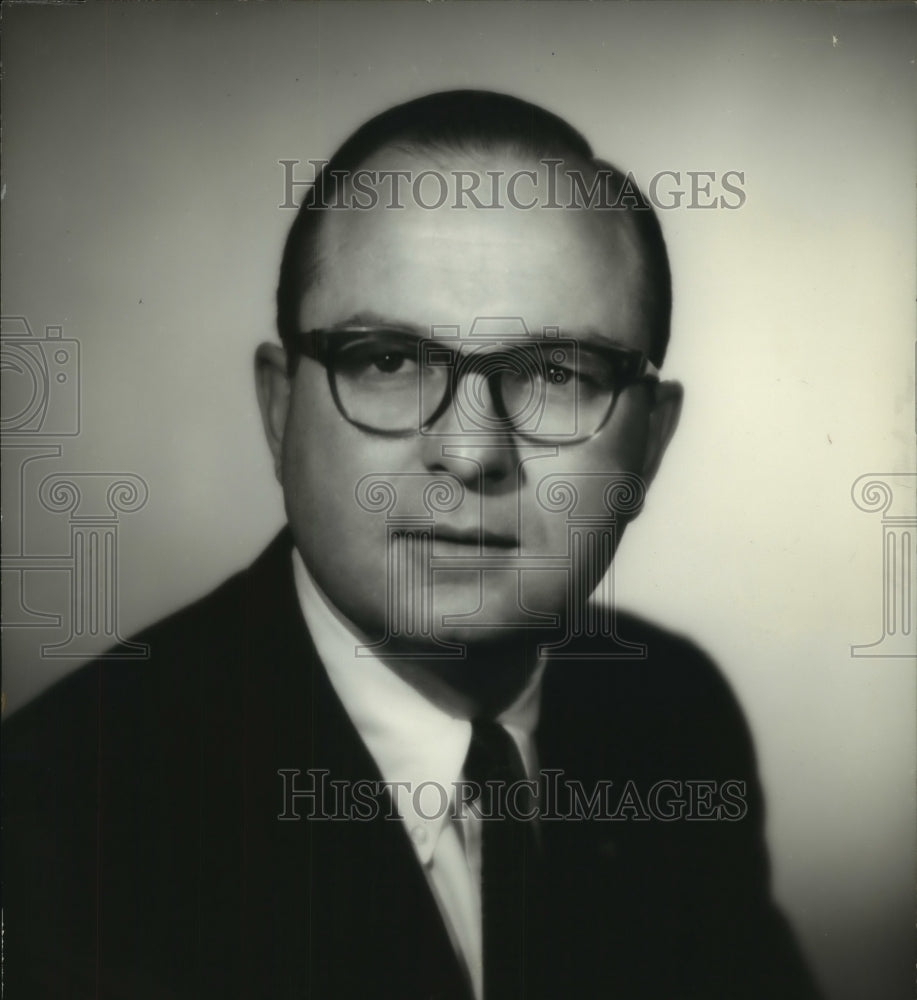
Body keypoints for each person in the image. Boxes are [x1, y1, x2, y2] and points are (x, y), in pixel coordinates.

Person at [2, 90, 822, 999]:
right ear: (280, 412)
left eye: (556, 374)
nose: (472, 451)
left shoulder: (673, 716)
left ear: (653, 439)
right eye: (389, 361)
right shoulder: (59, 819)